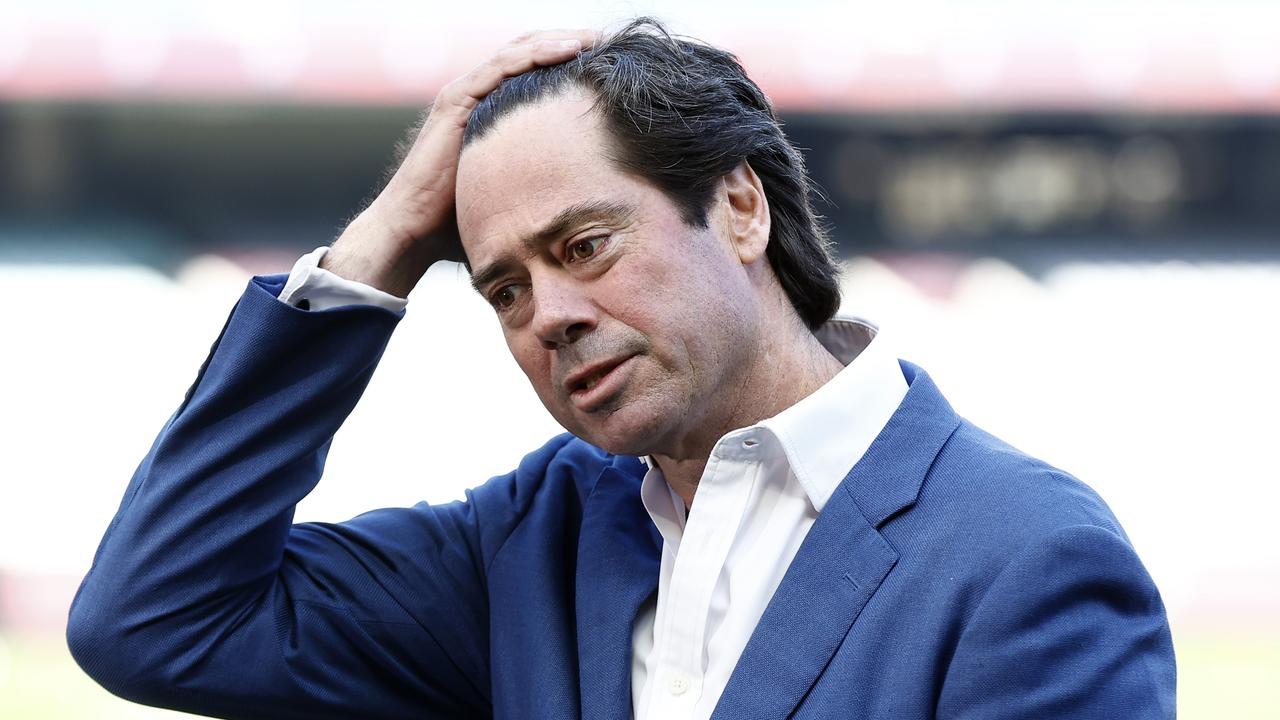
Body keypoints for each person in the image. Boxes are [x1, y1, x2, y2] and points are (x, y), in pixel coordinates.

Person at [67, 18, 1176, 720]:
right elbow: (156, 621)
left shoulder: (1023, 560)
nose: (546, 315)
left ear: (738, 206)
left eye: (583, 246)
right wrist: (388, 241)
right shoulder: (530, 540)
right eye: (502, 288)